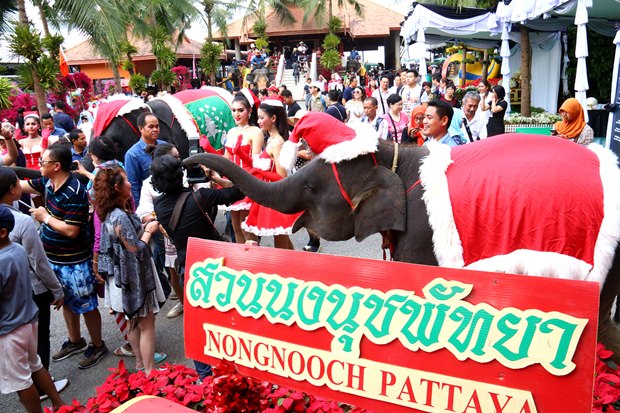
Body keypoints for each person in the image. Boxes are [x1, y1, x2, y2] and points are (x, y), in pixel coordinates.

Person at [152, 154, 245, 379]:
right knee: (230, 320)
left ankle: (205, 378)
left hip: (190, 269)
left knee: (199, 326)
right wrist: (216, 176)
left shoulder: (160, 207)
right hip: (218, 266)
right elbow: (240, 190)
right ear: (180, 174)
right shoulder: (201, 197)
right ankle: (235, 372)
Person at [20, 142, 108, 369]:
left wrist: (44, 217)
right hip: (54, 260)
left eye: (43, 162)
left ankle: (98, 345)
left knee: (86, 305)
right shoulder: (47, 183)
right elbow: (19, 185)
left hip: (75, 261)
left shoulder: (75, 191)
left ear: (56, 166)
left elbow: (72, 230)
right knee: (65, 302)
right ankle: (75, 340)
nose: (39, 165)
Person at [0, 169, 69, 398]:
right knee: (36, 345)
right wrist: (57, 289)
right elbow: (39, 262)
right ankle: (40, 389)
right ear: (12, 189)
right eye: (18, 183)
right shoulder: (21, 222)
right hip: (30, 292)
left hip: (8, 300)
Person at [93, 166, 165, 376]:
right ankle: (150, 371)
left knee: (131, 322)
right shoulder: (120, 216)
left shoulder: (109, 212)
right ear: (117, 188)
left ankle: (141, 366)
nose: (130, 184)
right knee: (147, 324)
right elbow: (135, 250)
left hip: (118, 279)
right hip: (133, 280)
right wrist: (149, 231)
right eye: (125, 181)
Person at [242, 100, 300, 249]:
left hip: (275, 196)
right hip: (270, 194)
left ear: (273, 119)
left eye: (262, 118)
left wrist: (259, 171)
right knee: (282, 239)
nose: (258, 121)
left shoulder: (277, 143)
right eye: (258, 118)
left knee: (280, 241)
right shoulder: (272, 140)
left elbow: (282, 177)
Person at [224, 93, 264, 244]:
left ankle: (253, 263)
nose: (236, 114)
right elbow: (226, 159)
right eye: (233, 110)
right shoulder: (231, 131)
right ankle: (242, 264)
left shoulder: (255, 131)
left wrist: (240, 152)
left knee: (247, 228)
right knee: (235, 228)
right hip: (231, 182)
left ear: (250, 111)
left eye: (240, 110)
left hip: (248, 181)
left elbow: (256, 162)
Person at [124, 112, 165, 205]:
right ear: (141, 128)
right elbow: (133, 185)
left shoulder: (165, 147)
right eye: (151, 127)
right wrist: (141, 210)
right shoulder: (132, 155)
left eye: (157, 126)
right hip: (150, 204)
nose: (155, 129)